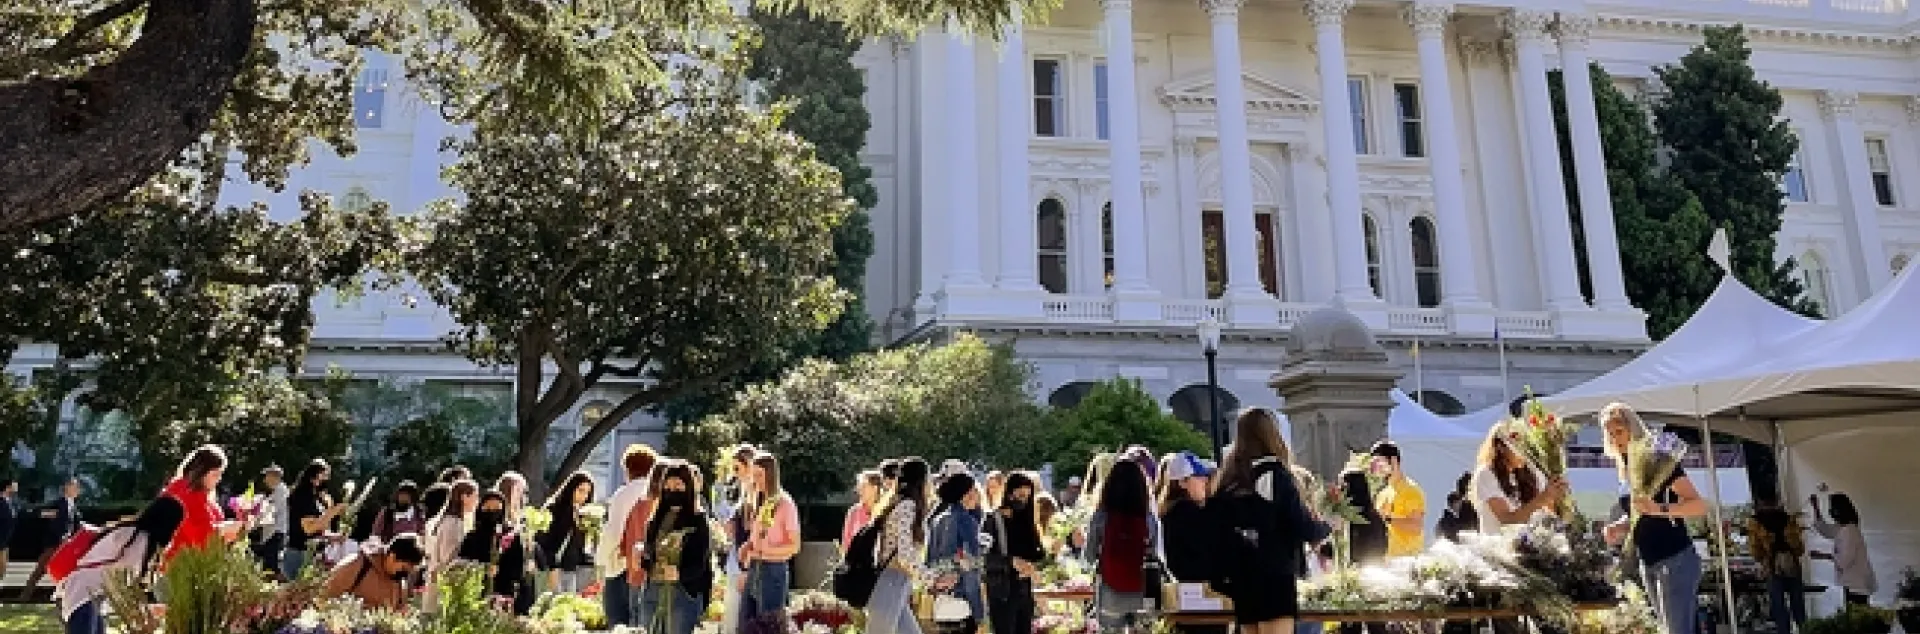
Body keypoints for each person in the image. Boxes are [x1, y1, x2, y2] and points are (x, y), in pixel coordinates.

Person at [1209, 408, 1331, 634]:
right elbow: (1300, 524)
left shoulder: (1230, 478)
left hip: (1242, 577)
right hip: (1274, 575)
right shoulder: (1275, 475)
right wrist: (1326, 526)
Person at [1598, 404, 1706, 634]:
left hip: (1675, 558)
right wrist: (1619, 527)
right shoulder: (1624, 467)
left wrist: (1658, 508)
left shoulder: (1658, 460)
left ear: (1632, 428)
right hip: (1649, 561)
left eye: (1619, 431)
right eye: (1609, 433)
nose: (1615, 438)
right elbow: (1641, 516)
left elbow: (1697, 505)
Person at [56, 495, 185, 634]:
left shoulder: (131, 532)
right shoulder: (139, 540)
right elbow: (129, 583)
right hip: (85, 594)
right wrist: (147, 610)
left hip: (87, 592)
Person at [638, 460, 714, 634]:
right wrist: (643, 558)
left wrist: (680, 574)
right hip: (654, 590)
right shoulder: (655, 519)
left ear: (688, 487)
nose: (672, 490)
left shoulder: (698, 520)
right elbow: (649, 552)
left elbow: (701, 563)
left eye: (678, 485)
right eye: (668, 485)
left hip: (683, 593)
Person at [1086, 459, 1161, 634]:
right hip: (1146, 592)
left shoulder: (1100, 518)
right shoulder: (1149, 519)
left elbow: (1089, 556)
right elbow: (1156, 554)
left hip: (1110, 592)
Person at [866, 457, 930, 634]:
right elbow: (904, 554)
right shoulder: (907, 507)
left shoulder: (898, 503)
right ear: (922, 481)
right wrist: (931, 579)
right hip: (891, 581)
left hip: (896, 582)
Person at [601, 444, 659, 628]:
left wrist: (602, 560)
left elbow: (613, 532)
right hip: (650, 566)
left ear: (628, 468)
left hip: (622, 565)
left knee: (619, 620)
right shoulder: (657, 493)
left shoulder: (624, 494)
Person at [739, 452, 800, 626]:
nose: (755, 480)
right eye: (753, 475)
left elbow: (794, 546)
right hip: (755, 567)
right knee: (748, 623)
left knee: (769, 625)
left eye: (759, 475)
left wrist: (765, 551)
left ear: (771, 475)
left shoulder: (785, 504)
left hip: (774, 570)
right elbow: (758, 536)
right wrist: (748, 546)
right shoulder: (760, 501)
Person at [160, 445, 243, 565]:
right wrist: (226, 527)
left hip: (194, 565)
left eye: (221, 474)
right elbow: (199, 536)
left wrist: (237, 529)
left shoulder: (200, 492)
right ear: (201, 471)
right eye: (215, 474)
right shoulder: (185, 493)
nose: (219, 479)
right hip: (180, 568)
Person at [984, 471, 1044, 634]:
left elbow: (1038, 554)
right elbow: (984, 559)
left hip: (1025, 593)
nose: (1023, 500)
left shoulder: (1027, 521)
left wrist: (1032, 566)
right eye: (1019, 495)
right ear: (1009, 493)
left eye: (1027, 496)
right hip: (1003, 592)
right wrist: (1011, 561)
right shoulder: (993, 520)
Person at [928, 473, 985, 633]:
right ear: (965, 494)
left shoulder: (937, 520)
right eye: (974, 490)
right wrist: (978, 612)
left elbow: (930, 562)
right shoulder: (967, 522)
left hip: (941, 601)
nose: (978, 494)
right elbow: (970, 567)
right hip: (963, 602)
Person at [458, 490, 531, 613]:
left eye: (497, 508)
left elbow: (518, 567)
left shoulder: (512, 535)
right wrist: (484, 569)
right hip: (477, 591)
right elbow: (463, 562)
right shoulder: (472, 537)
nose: (492, 512)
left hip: (504, 593)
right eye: (488, 508)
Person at [1337, 469, 1388, 634]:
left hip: (1360, 578)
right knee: (1376, 626)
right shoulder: (1375, 517)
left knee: (1353, 625)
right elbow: (1383, 546)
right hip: (1373, 577)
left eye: (1344, 487)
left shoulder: (1354, 519)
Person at [1747, 497, 1807, 634]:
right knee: (1798, 607)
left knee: (1779, 607)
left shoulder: (1756, 523)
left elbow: (1756, 551)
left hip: (1772, 567)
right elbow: (1799, 548)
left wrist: (1764, 557)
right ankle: (1804, 630)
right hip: (1792, 566)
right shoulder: (1788, 519)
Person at [321, 533, 426, 611]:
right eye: (404, 568)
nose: (405, 575)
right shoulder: (356, 565)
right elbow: (323, 596)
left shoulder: (400, 585)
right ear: (392, 557)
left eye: (409, 571)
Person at [535, 470, 598, 593]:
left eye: (587, 493)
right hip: (552, 570)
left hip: (572, 571)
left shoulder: (585, 515)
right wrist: (552, 567)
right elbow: (542, 542)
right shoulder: (554, 509)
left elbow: (580, 547)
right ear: (571, 488)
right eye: (580, 490)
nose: (584, 496)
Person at [1810, 490, 1876, 604]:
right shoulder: (1843, 528)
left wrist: (1823, 556)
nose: (1830, 512)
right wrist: (1816, 508)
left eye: (1832, 508)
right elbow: (1826, 530)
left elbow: (1845, 560)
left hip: (1857, 582)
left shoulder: (1850, 531)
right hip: (1852, 582)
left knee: (1858, 615)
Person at [20, 477, 82, 599]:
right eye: (75, 487)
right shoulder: (59, 503)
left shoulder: (73, 505)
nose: (77, 490)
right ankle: (24, 596)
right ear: (67, 488)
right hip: (54, 543)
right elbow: (42, 514)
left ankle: (64, 596)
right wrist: (60, 534)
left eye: (77, 487)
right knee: (41, 569)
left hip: (67, 544)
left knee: (68, 570)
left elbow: (74, 523)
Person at [285, 459, 346, 580]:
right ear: (313, 475)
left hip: (313, 555)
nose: (327, 479)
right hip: (300, 555)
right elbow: (309, 529)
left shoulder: (316, 498)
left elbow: (319, 529)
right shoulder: (302, 497)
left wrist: (332, 536)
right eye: (324, 474)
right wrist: (332, 512)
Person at [423, 479, 477, 611]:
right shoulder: (453, 524)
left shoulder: (454, 521)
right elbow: (448, 559)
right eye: (475, 496)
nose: (477, 501)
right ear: (464, 497)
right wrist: (475, 564)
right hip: (443, 586)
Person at [1368, 441, 1425, 558]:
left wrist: (1387, 519)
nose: (1376, 467)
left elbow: (1416, 527)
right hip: (1386, 559)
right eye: (1374, 462)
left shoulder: (1411, 490)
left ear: (1393, 461)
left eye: (1379, 461)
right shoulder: (1382, 493)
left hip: (1407, 560)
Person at [255, 466, 291, 576]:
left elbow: (271, 511)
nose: (265, 480)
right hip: (272, 532)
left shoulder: (281, 491)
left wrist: (255, 520)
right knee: (268, 563)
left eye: (267, 476)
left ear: (275, 477)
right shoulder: (276, 491)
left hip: (276, 532)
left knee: (270, 565)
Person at [842, 470, 883, 552]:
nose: (859, 490)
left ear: (875, 488)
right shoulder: (854, 512)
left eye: (863, 486)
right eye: (859, 487)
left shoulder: (885, 511)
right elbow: (846, 544)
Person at [0, 479, 18, 567]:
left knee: (3, 568)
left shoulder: (11, 503)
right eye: (15, 487)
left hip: (6, 541)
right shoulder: (1, 502)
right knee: (2, 566)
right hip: (1, 540)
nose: (17, 489)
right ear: (7, 488)